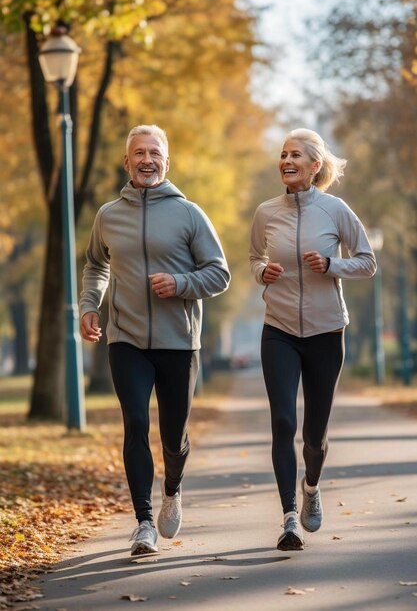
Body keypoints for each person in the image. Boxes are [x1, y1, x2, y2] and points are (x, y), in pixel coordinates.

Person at [80, 124, 230, 556]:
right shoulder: (109, 214)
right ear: (127, 162)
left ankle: (173, 488)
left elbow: (220, 273)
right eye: (139, 153)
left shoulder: (189, 214)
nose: (147, 160)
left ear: (167, 161)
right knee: (135, 424)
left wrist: (181, 283)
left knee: (173, 435)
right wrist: (91, 305)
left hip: (179, 340)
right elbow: (95, 265)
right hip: (125, 337)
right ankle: (144, 522)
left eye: (155, 153)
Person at [249, 128, 376, 552]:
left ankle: (312, 485)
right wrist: (261, 272)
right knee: (283, 422)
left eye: (296, 155)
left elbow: (367, 262)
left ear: (315, 166)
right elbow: (254, 257)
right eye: (283, 154)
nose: (286, 161)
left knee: (314, 434)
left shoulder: (336, 210)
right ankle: (288, 518)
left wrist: (331, 265)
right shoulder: (266, 212)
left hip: (326, 332)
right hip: (279, 329)